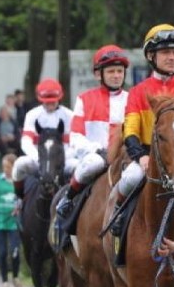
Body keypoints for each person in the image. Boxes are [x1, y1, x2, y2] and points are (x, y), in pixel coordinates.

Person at [108, 23, 174, 237]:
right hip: (148, 156)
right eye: (166, 52)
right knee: (130, 179)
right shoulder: (137, 92)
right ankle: (117, 216)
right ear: (151, 56)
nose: (172, 57)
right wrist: (140, 156)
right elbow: (131, 130)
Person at [54, 45, 129, 227]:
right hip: (96, 155)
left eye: (120, 71)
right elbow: (76, 136)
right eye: (111, 71)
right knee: (92, 164)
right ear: (98, 74)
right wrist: (98, 150)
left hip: (125, 157)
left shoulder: (132, 98)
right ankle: (68, 199)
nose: (116, 75)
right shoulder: (84, 99)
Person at [12, 79, 75, 199]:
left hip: (62, 160)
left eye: (53, 102)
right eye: (47, 102)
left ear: (59, 98)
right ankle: (19, 199)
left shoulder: (69, 115)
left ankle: (75, 200)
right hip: (39, 159)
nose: (50, 105)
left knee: (79, 167)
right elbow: (26, 141)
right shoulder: (32, 114)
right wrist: (39, 158)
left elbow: (73, 144)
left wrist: (60, 159)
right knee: (19, 164)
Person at [0, 154, 23, 287]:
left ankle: (15, 277)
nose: (5, 169)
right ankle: (4, 281)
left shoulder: (19, 181)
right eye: (4, 166)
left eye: (8, 167)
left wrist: (18, 207)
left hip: (14, 223)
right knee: (2, 252)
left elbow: (23, 197)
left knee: (15, 251)